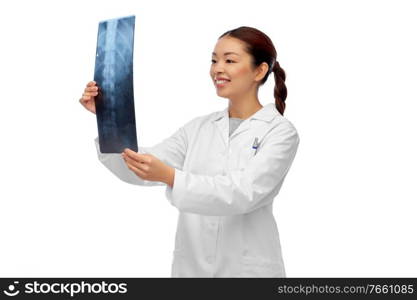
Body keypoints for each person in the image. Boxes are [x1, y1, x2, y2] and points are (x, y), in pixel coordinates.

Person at [79, 26, 300, 277]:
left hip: (248, 272)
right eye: (214, 60)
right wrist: (109, 120)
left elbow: (244, 193)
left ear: (259, 70)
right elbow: (140, 168)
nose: (217, 68)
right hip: (191, 270)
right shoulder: (198, 128)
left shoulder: (280, 132)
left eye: (229, 60)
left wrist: (172, 177)